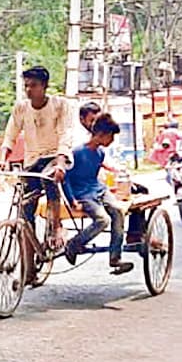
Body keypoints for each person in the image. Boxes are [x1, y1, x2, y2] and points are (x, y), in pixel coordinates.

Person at [0, 66, 80, 248]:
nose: (28, 90)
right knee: (25, 205)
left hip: (55, 156)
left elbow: (65, 134)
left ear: (44, 86)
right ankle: (30, 251)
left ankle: (55, 227)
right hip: (32, 160)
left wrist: (60, 164)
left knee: (50, 179)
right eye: (26, 85)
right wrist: (2, 159)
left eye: (33, 85)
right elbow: (10, 135)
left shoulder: (60, 105)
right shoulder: (21, 108)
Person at [62, 114, 133, 274]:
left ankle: (115, 257)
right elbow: (66, 179)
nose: (112, 140)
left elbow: (95, 176)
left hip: (98, 189)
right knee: (103, 220)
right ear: (101, 134)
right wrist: (71, 199)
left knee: (118, 211)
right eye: (111, 136)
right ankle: (74, 243)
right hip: (83, 194)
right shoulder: (77, 153)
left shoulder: (100, 153)